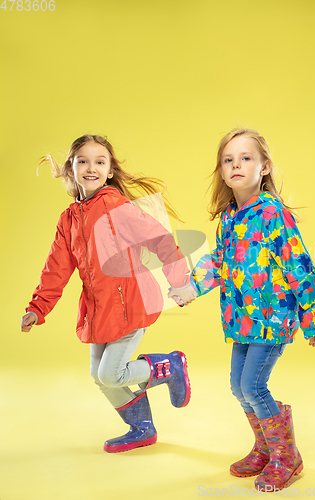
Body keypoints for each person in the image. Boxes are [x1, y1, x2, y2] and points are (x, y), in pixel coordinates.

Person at [20, 134, 197, 453]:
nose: (91, 167)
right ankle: (141, 428)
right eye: (82, 161)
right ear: (70, 169)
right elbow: (56, 268)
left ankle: (169, 365)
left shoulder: (115, 205)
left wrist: (180, 280)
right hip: (98, 310)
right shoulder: (69, 219)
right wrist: (38, 308)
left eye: (99, 162)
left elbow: (159, 239)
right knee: (99, 376)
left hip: (131, 303)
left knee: (111, 373)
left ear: (110, 170)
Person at [187, 128, 315, 491]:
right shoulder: (230, 217)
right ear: (220, 171)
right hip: (242, 320)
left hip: (273, 319)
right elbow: (219, 261)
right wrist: (192, 286)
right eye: (228, 160)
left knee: (253, 385)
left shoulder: (271, 213)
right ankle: (265, 448)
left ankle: (287, 457)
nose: (236, 165)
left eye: (245, 158)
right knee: (238, 386)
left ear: (264, 167)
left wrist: (313, 315)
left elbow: (298, 262)